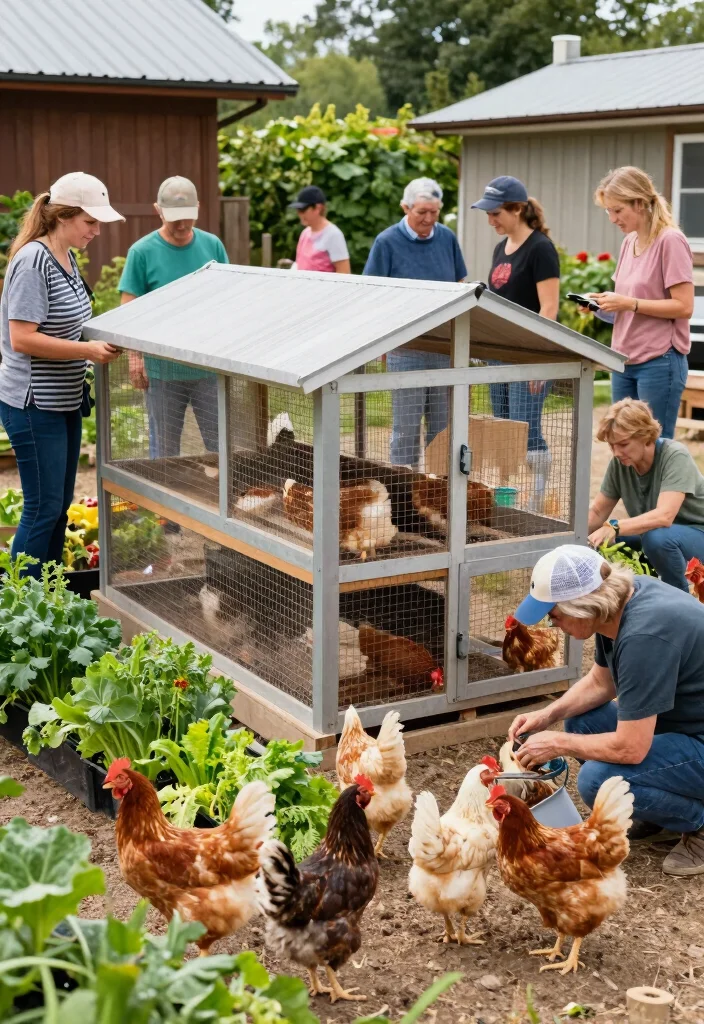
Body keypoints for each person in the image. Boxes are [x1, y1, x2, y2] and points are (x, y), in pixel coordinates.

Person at [507, 543, 704, 877]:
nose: (554, 625)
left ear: (581, 605)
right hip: (685, 728)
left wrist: (557, 744)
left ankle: (698, 824)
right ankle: (655, 809)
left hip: (697, 739)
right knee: (582, 720)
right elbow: (601, 683)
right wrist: (547, 716)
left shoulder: (645, 634)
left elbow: (630, 746)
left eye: (555, 615)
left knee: (598, 781)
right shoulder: (620, 604)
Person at [0, 172, 123, 576]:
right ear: (64, 216)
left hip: (65, 399)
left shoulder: (66, 258)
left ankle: (49, 598)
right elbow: (22, 338)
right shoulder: (34, 261)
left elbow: (68, 324)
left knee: (58, 504)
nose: (96, 230)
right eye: (90, 222)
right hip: (34, 404)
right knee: (42, 507)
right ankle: (20, 603)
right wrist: (88, 350)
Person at [119, 176, 229, 459]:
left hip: (207, 366)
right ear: (158, 210)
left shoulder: (212, 246)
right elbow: (129, 310)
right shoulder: (142, 252)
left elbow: (230, 300)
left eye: (187, 218)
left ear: (198, 208)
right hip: (162, 370)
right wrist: (135, 357)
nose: (181, 225)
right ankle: (160, 500)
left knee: (220, 445)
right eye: (174, 218)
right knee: (165, 448)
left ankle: (221, 499)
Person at [363, 178, 467, 469]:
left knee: (442, 427)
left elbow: (459, 283)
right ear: (405, 207)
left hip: (444, 347)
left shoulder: (446, 238)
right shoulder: (386, 242)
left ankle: (438, 490)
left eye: (434, 212)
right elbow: (373, 293)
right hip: (405, 348)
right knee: (405, 428)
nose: (429, 219)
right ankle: (402, 490)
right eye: (422, 212)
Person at [471, 176, 560, 510]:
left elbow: (549, 308)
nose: (491, 220)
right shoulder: (500, 248)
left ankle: (537, 500)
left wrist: (540, 358)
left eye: (496, 213)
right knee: (505, 428)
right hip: (499, 355)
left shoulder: (540, 248)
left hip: (529, 355)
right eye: (488, 214)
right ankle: (509, 499)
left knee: (527, 427)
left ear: (517, 209)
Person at [589, 166, 694, 439]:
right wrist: (601, 306)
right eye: (608, 211)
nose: (612, 218)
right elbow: (626, 309)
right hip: (624, 360)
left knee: (653, 447)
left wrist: (630, 303)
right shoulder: (629, 242)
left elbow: (684, 307)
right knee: (622, 443)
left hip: (660, 361)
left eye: (617, 210)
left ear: (638, 203)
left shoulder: (671, 241)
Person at [587, 398, 704, 592]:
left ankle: (677, 598)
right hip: (661, 536)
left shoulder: (674, 455)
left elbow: (664, 516)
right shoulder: (620, 463)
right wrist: (572, 537)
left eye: (623, 444)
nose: (616, 452)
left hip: (697, 532)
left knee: (656, 538)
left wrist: (615, 527)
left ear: (645, 436)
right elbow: (598, 512)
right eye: (611, 445)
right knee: (600, 543)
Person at [288, 186, 350, 273]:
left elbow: (344, 272)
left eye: (302, 210)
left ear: (318, 208)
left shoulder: (334, 235)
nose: (299, 214)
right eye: (298, 210)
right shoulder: (305, 233)